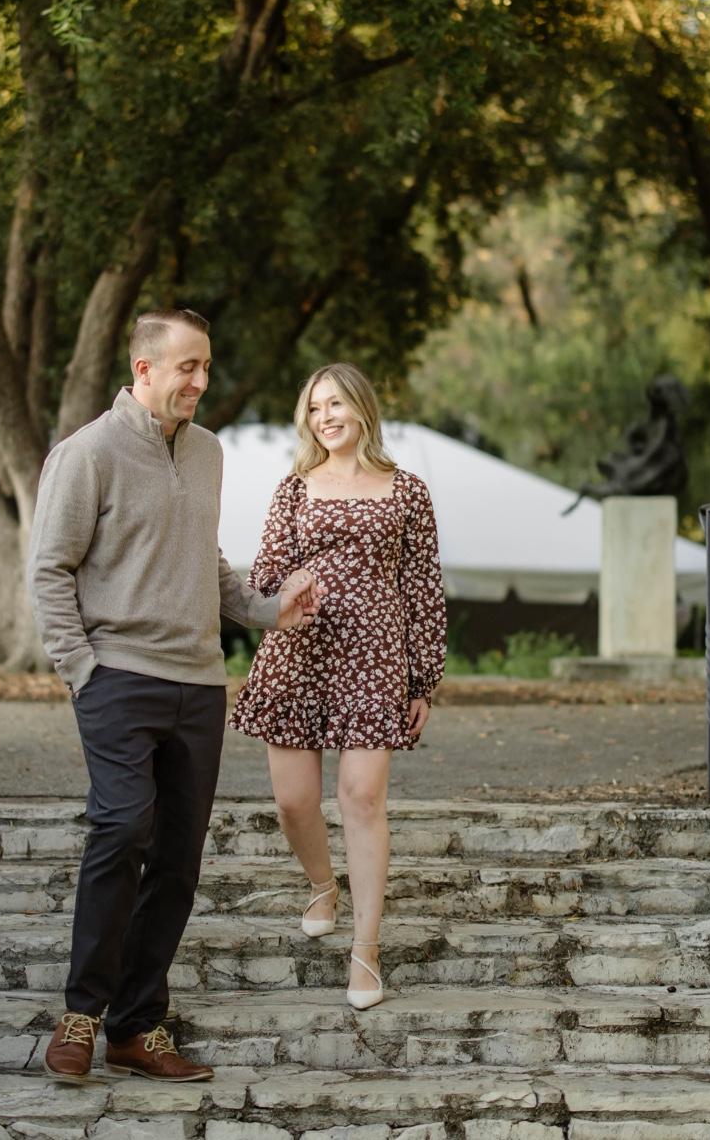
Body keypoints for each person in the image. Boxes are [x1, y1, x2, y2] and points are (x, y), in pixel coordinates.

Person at [27, 307, 320, 1084]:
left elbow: (205, 559)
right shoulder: (86, 453)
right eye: (188, 366)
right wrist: (81, 670)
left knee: (180, 858)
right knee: (123, 827)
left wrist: (267, 609)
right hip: (117, 678)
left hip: (198, 684)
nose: (201, 381)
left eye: (207, 367)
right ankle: (81, 1015)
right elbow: (49, 569)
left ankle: (135, 1026)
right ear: (144, 368)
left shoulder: (208, 452)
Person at [229, 361, 446, 1009]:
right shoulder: (294, 488)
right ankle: (323, 885)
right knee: (294, 802)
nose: (325, 417)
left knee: (362, 797)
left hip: (376, 658)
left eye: (336, 404)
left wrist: (423, 679)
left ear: (361, 408)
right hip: (298, 652)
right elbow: (265, 576)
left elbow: (423, 587)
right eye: (315, 407)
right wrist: (287, 588)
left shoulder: (407, 491)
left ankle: (366, 952)